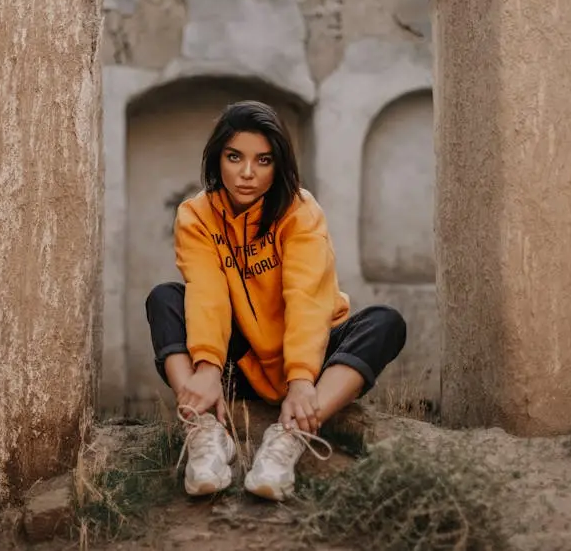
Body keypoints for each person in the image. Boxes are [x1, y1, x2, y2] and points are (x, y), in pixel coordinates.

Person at [145, 100, 407, 501]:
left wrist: (302, 379)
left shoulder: (300, 211)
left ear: (278, 164)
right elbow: (207, 292)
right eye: (234, 157)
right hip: (243, 359)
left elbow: (306, 298)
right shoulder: (196, 216)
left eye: (263, 160)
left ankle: (290, 435)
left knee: (385, 323)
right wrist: (209, 366)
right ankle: (205, 433)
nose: (247, 173)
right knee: (164, 299)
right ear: (218, 160)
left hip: (307, 357)